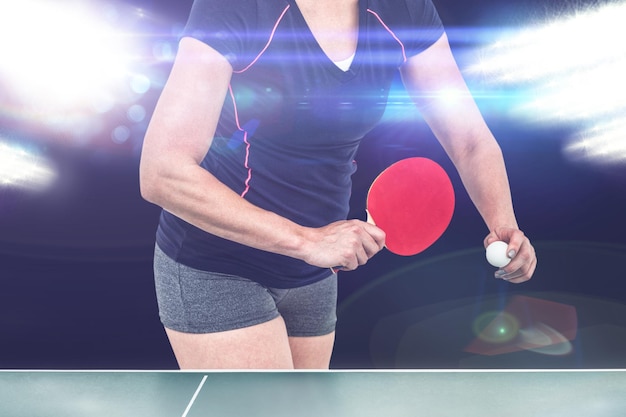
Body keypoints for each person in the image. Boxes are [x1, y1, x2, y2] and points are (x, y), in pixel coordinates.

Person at [139, 0, 537, 369]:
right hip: (220, 265)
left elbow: (468, 138)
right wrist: (307, 241)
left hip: (314, 273)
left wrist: (504, 225)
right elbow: (162, 171)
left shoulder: (403, 9)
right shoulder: (238, 8)